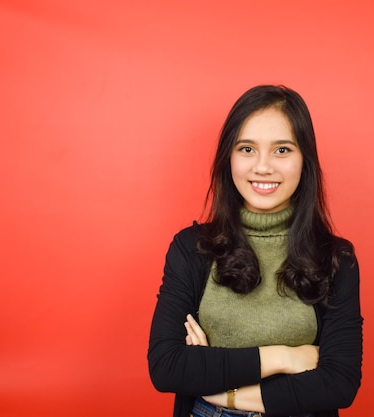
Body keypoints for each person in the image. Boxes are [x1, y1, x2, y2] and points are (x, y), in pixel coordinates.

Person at [148, 85, 362, 417]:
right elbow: (168, 366)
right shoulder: (191, 249)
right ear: (228, 158)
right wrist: (286, 357)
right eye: (247, 149)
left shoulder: (335, 258)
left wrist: (219, 387)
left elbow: (339, 383)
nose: (262, 167)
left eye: (282, 150)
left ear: (304, 160)